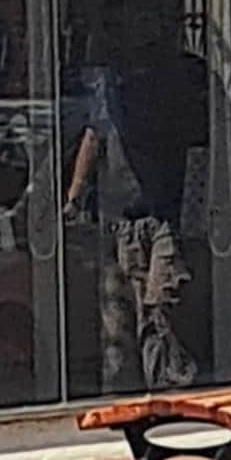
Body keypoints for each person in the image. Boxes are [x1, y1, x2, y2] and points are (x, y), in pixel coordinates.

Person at [64, 38, 212, 391]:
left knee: (161, 301)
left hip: (166, 219)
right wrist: (74, 196)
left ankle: (171, 380)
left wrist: (194, 217)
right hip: (124, 220)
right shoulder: (112, 101)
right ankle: (134, 388)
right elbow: (93, 139)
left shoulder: (176, 104)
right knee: (127, 311)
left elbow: (199, 156)